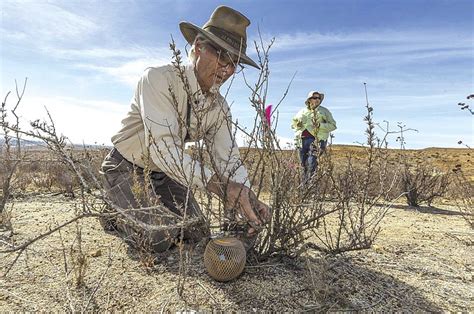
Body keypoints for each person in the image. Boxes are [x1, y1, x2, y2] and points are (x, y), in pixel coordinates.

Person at [100, 6, 271, 253]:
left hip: (166, 174)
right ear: (198, 46)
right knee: (157, 237)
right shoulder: (157, 79)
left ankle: (139, 208)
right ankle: (113, 212)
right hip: (125, 167)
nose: (227, 69)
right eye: (222, 56)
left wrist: (248, 198)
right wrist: (222, 187)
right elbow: (163, 148)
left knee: (197, 232)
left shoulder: (219, 108)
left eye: (235, 63)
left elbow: (228, 158)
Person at [291, 91, 337, 182]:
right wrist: (297, 125)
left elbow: (333, 125)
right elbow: (293, 124)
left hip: (317, 140)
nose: (317, 100)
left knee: (312, 164)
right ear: (309, 100)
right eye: (315, 98)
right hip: (301, 141)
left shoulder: (324, 111)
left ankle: (311, 189)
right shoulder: (302, 111)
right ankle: (304, 189)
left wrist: (320, 125)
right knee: (302, 165)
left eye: (319, 98)